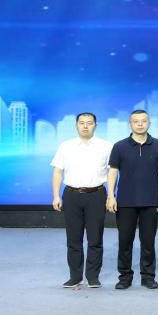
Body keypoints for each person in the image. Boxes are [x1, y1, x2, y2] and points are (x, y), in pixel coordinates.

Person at [107, 109, 158, 290]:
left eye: (143, 121)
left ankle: (148, 277)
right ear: (130, 124)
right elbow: (113, 172)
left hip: (151, 201)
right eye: (136, 121)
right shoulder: (119, 146)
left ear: (149, 123)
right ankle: (125, 277)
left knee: (148, 241)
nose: (140, 124)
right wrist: (111, 196)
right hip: (125, 202)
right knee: (125, 241)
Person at [50, 112, 112, 289]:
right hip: (71, 195)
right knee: (73, 239)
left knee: (95, 238)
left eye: (89, 123)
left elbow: (112, 173)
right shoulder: (66, 146)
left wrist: (111, 196)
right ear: (76, 125)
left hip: (96, 195)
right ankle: (75, 276)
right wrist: (56, 196)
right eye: (82, 123)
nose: (85, 126)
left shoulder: (106, 146)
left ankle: (92, 277)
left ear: (95, 125)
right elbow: (58, 172)